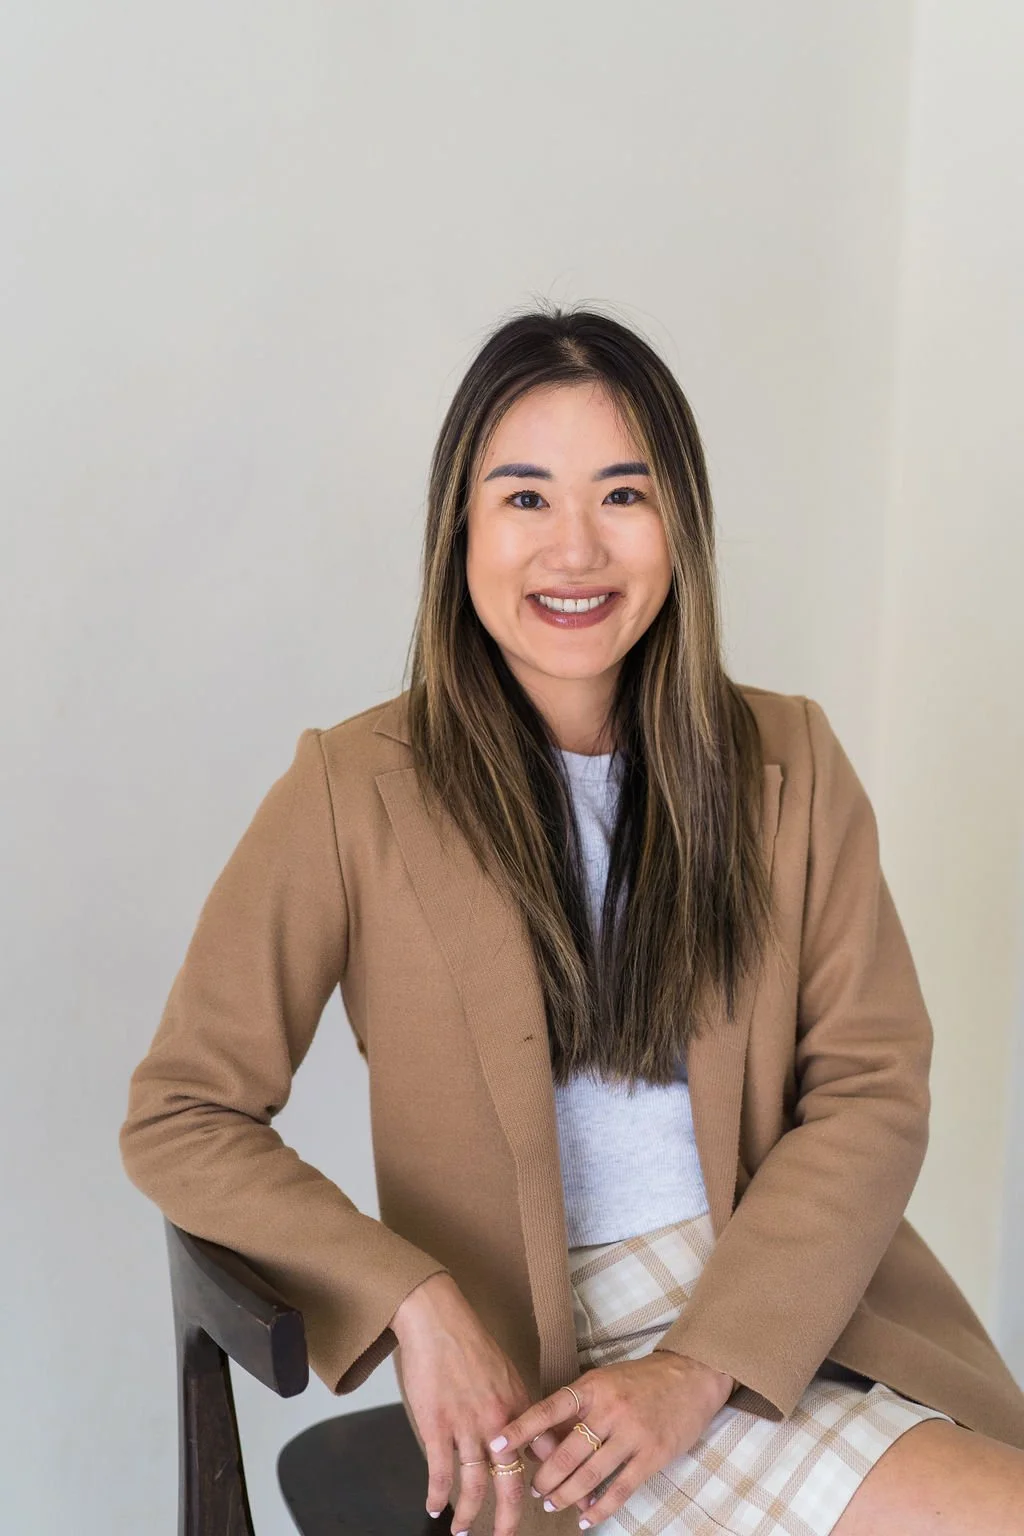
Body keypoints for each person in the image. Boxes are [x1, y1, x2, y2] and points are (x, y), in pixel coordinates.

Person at [119, 303, 1024, 1536]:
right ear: (462, 531)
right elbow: (185, 1113)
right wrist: (414, 1302)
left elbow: (870, 1086)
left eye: (623, 495)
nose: (576, 550)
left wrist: (697, 1366)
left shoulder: (789, 759)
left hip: (774, 1313)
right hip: (532, 1371)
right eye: (526, 498)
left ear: (679, 526)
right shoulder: (349, 789)